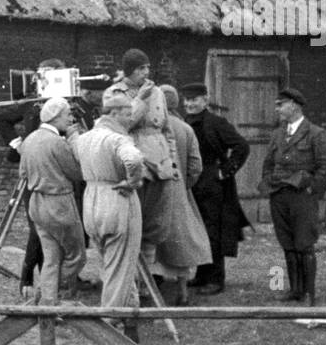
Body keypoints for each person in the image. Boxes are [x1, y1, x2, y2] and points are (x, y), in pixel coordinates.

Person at [73, 88, 145, 340]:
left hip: (91, 201)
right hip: (117, 198)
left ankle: (130, 322)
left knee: (111, 266)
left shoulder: (84, 138)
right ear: (113, 113)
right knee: (120, 266)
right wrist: (132, 182)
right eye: (127, 114)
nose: (129, 119)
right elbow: (134, 160)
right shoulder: (117, 139)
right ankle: (109, 326)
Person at [106, 50, 178, 284]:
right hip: (135, 165)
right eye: (141, 69)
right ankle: (130, 283)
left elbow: (167, 130)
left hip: (160, 165)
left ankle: (146, 283)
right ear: (129, 71)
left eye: (148, 68)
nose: (146, 73)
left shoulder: (158, 92)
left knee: (155, 226)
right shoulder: (114, 93)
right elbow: (121, 125)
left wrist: (173, 163)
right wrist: (141, 100)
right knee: (132, 225)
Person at [0, 58, 65, 294]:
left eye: (49, 76)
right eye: (40, 75)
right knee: (37, 225)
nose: (42, 81)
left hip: (59, 173)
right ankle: (27, 280)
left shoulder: (66, 107)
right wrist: (18, 146)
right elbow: (2, 119)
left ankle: (56, 277)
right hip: (34, 173)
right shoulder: (32, 105)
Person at [261, 87, 326, 305]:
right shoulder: (277, 134)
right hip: (279, 196)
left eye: (280, 104)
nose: (277, 109)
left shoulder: (316, 134)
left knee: (304, 243)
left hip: (302, 197)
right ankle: (295, 290)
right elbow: (268, 164)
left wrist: (312, 190)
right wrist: (269, 181)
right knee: (287, 243)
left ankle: (308, 293)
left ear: (293, 105)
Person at [181, 83, 250, 294]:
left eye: (194, 100)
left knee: (214, 230)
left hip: (212, 183)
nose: (190, 104)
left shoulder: (216, 123)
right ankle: (201, 275)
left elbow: (241, 146)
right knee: (197, 230)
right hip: (192, 183)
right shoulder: (184, 123)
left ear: (205, 100)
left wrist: (225, 171)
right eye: (187, 100)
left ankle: (215, 279)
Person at [18, 98, 85, 303]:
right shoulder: (57, 142)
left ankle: (47, 303)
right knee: (76, 256)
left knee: (51, 259)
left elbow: (22, 173)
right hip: (59, 204)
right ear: (56, 117)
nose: (71, 119)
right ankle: (56, 295)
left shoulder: (29, 140)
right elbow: (77, 173)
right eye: (67, 115)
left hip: (36, 203)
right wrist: (74, 140)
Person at [155, 86, 213, 306]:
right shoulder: (185, 128)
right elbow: (196, 165)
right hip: (178, 191)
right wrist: (185, 186)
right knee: (180, 240)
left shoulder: (150, 127)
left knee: (152, 239)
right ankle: (181, 287)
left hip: (153, 192)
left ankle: (150, 285)